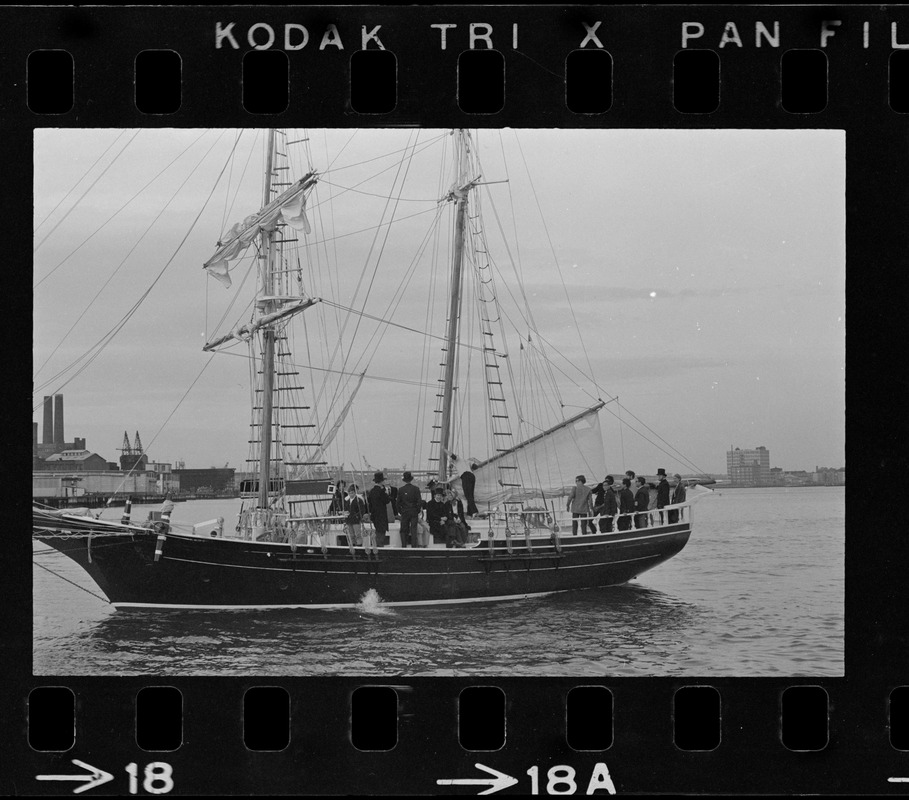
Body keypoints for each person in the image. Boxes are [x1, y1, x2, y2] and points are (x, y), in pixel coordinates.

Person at [449, 451, 480, 516]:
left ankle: (474, 511)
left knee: (468, 495)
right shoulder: (467, 461)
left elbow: (452, 455)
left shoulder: (458, 460)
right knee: (470, 495)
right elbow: (476, 467)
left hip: (466, 477)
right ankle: (470, 512)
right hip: (472, 476)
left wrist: (444, 449)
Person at [396, 471, 423, 547]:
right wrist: (417, 510)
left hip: (404, 511)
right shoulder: (416, 489)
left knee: (404, 529)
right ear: (411, 479)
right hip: (414, 511)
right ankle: (414, 545)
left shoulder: (401, 490)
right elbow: (419, 501)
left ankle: (404, 545)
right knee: (413, 529)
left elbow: (397, 503)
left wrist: (400, 511)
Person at [367, 471, 392, 547]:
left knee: (378, 531)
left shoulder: (371, 491)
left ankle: (376, 545)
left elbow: (369, 503)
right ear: (381, 481)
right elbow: (387, 501)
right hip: (381, 515)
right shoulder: (381, 491)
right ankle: (379, 547)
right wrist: (386, 492)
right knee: (381, 532)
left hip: (374, 515)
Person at [344, 484, 369, 549]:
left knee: (358, 534)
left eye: (352, 493)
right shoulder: (347, 501)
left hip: (356, 520)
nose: (350, 494)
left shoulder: (359, 501)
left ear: (355, 493)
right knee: (351, 534)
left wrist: (358, 516)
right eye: (349, 493)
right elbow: (345, 509)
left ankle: (359, 546)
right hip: (349, 520)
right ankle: (353, 546)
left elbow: (362, 510)